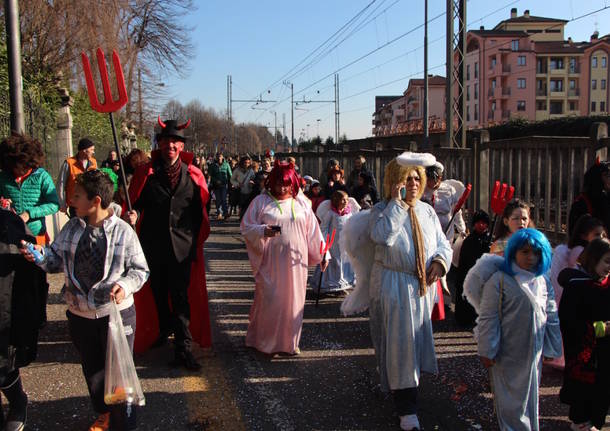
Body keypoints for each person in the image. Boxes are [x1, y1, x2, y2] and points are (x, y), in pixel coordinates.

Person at [22, 169, 149, 431]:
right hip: (80, 315)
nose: (71, 200)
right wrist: (38, 255)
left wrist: (124, 287)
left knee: (119, 376)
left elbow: (140, 270)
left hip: (114, 315)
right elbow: (55, 259)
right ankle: (103, 413)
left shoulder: (124, 232)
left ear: (96, 202)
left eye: (77, 195)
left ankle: (124, 423)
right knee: (94, 374)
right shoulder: (71, 227)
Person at [341, 153, 452, 431]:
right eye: (406, 179)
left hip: (421, 289)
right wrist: (397, 204)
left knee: (411, 346)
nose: (413, 184)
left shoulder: (427, 211)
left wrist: (439, 261)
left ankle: (404, 389)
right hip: (393, 286)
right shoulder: (382, 210)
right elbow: (382, 236)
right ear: (394, 181)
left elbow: (443, 243)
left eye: (417, 178)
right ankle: (407, 409)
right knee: (400, 346)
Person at [126, 118, 211, 371]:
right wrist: (135, 216)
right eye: (166, 141)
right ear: (159, 144)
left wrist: (193, 240)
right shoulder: (146, 173)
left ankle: (183, 348)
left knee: (180, 297)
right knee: (158, 295)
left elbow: (200, 212)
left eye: (175, 142)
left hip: (182, 249)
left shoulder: (193, 175)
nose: (170, 146)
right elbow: (136, 205)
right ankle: (163, 329)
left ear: (181, 146)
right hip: (152, 247)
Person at [464, 228, 562, 431]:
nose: (530, 258)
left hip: (533, 353)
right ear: (513, 252)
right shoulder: (500, 281)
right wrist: (487, 350)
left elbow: (551, 315)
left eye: (536, 252)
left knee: (529, 398)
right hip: (507, 354)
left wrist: (552, 347)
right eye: (524, 252)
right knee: (510, 403)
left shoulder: (541, 280)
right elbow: (489, 318)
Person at [240, 160, 328, 355]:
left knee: (293, 301)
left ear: (293, 183)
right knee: (270, 299)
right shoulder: (261, 202)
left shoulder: (301, 203)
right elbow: (246, 227)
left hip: (296, 263)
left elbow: (313, 231)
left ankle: (290, 343)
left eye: (286, 183)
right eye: (279, 182)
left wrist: (323, 253)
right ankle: (263, 342)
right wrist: (264, 231)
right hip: (270, 261)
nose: (282, 187)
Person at [0, 133, 60, 327]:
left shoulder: (41, 176)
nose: (20, 171)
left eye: (25, 167)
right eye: (17, 166)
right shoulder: (3, 177)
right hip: (10, 236)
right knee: (15, 278)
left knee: (37, 275)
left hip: (37, 234)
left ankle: (38, 314)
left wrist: (30, 213)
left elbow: (54, 204)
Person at [0, 204, 46, 431]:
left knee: (4, 366)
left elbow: (33, 276)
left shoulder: (9, 223)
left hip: (6, 312)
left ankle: (18, 401)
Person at [558, 238, 610, 431]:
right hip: (584, 353)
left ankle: (594, 423)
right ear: (594, 259)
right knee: (584, 393)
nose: (609, 267)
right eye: (606, 261)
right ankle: (580, 423)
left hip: (605, 353)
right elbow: (569, 321)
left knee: (603, 393)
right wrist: (600, 329)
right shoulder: (578, 286)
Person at [314, 190, 358, 293]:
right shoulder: (331, 213)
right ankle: (331, 282)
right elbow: (324, 227)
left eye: (347, 199)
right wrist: (324, 240)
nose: (346, 201)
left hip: (345, 241)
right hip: (333, 242)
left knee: (345, 260)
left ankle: (344, 281)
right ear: (336, 200)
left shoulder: (349, 212)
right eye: (343, 199)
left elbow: (353, 224)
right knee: (334, 261)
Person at [454, 210, 491, 327]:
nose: (481, 225)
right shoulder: (468, 241)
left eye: (484, 223)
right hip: (468, 274)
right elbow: (463, 262)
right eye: (478, 223)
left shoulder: (490, 241)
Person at [57, 137, 98, 218]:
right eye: (91, 149)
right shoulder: (69, 163)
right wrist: (62, 204)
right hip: (75, 205)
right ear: (84, 150)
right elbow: (61, 185)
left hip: (90, 203)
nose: (93, 152)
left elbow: (98, 182)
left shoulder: (94, 162)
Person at [568, 160, 610, 236]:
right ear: (596, 178)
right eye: (606, 175)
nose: (608, 179)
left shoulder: (605, 197)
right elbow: (575, 233)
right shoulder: (581, 203)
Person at [208, 152, 232, 220]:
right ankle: (219, 213)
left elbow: (230, 174)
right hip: (216, 185)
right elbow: (210, 175)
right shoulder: (212, 165)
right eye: (218, 156)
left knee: (224, 199)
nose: (219, 158)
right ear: (216, 157)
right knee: (218, 200)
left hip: (224, 185)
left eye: (220, 156)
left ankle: (225, 213)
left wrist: (232, 182)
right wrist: (215, 180)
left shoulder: (226, 164)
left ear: (222, 157)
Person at [230, 155, 255, 219]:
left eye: (248, 163)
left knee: (248, 205)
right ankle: (242, 217)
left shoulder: (251, 171)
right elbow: (232, 179)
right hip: (240, 191)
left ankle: (246, 217)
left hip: (249, 191)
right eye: (245, 162)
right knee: (241, 205)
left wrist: (252, 182)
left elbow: (253, 179)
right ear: (242, 162)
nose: (246, 164)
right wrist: (237, 184)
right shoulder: (237, 170)